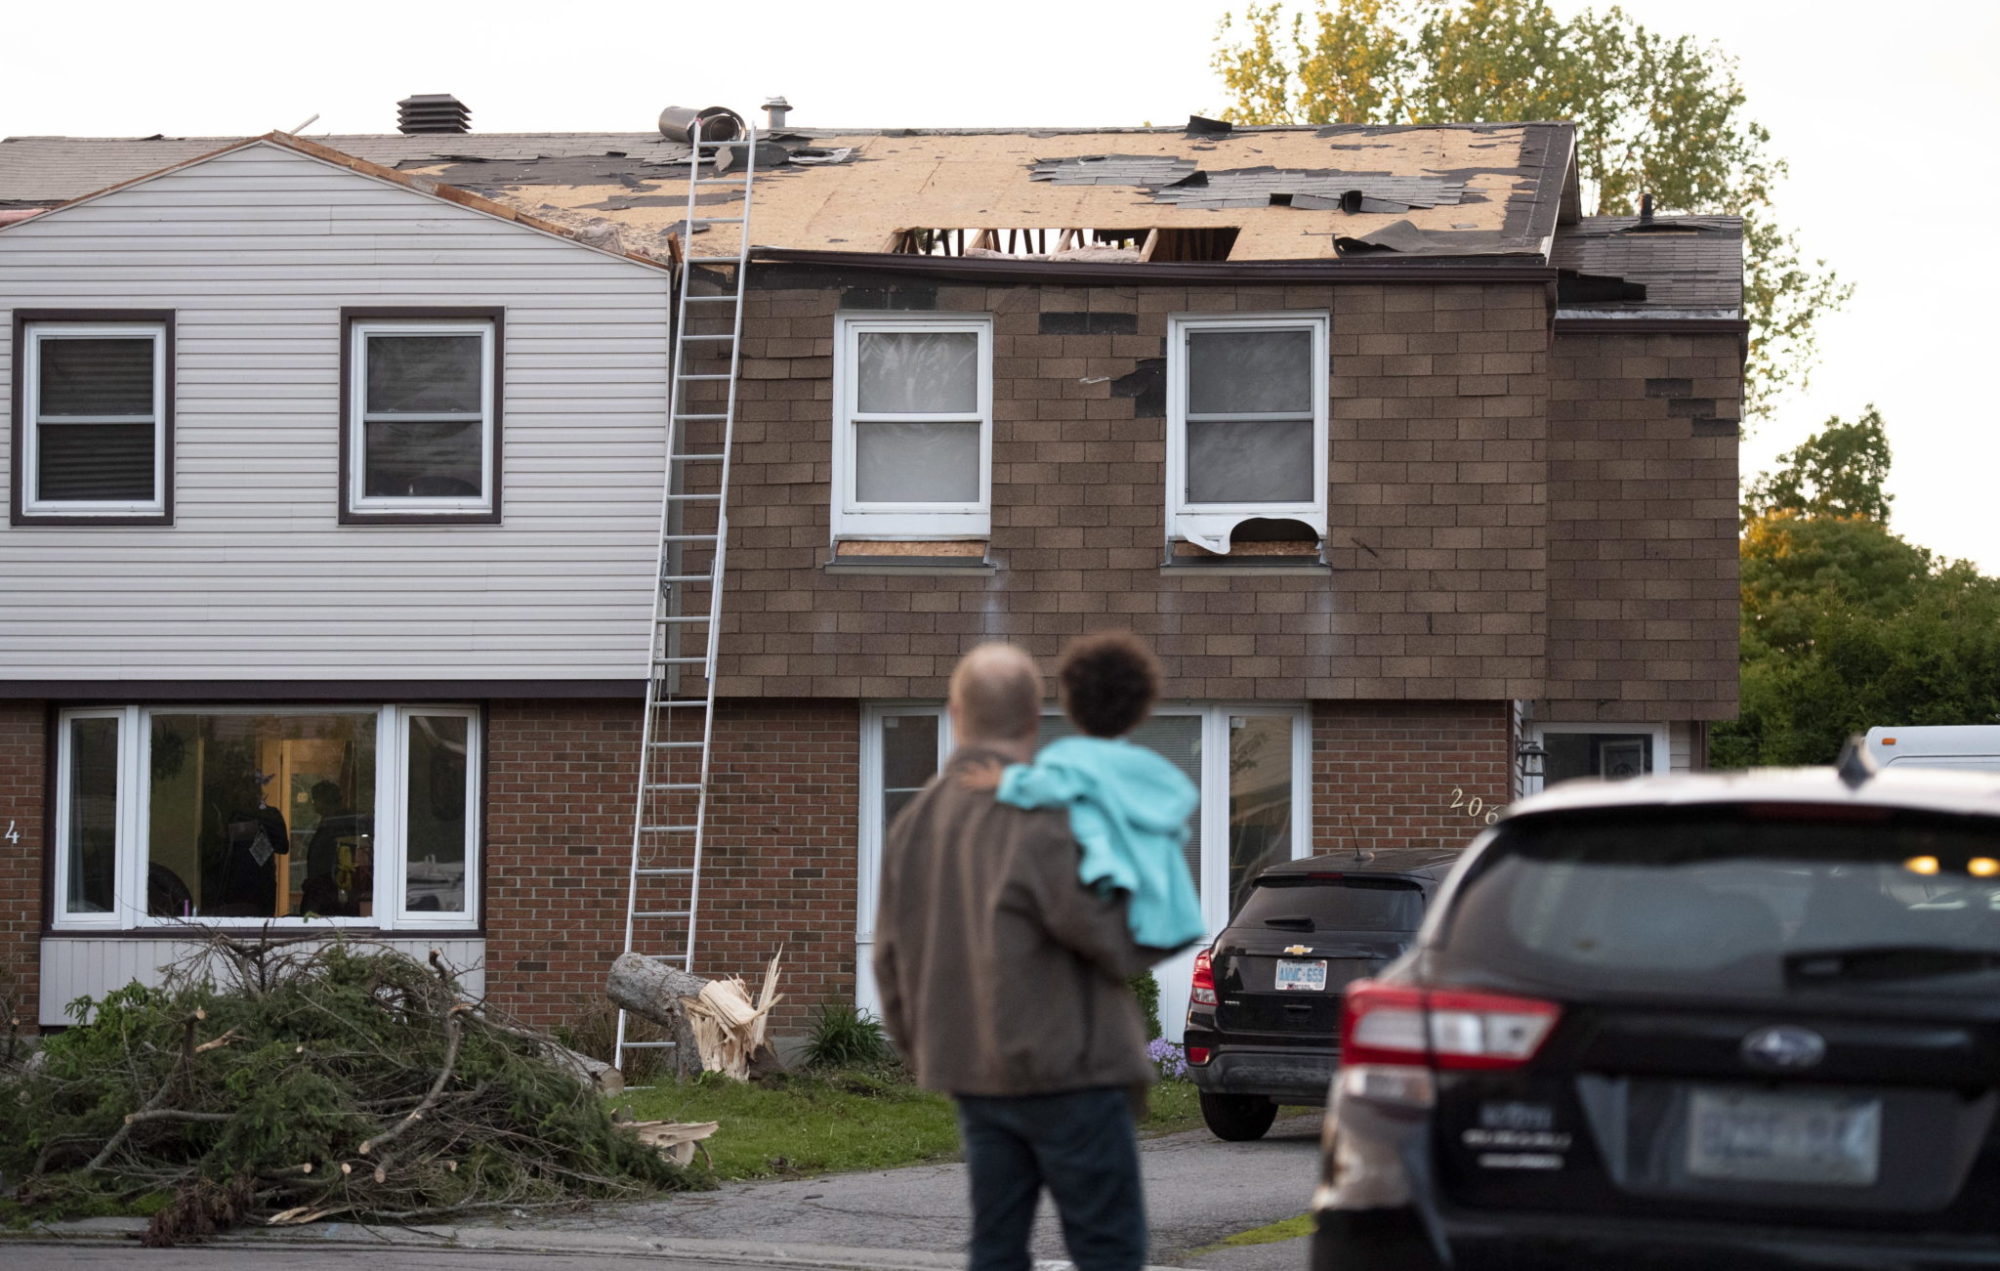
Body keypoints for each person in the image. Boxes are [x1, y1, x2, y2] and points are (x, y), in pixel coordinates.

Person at [873, 643, 1171, 1271]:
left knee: (997, 1248)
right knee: (1108, 1250)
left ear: (957, 712)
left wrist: (929, 1051)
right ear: (1037, 716)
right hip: (1072, 1072)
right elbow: (1112, 938)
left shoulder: (914, 822)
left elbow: (889, 960)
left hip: (977, 1076)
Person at [990, 631, 1203, 952]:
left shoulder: (1070, 759)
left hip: (1090, 896)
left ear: (1073, 706)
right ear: (1139, 712)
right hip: (1145, 914)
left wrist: (1002, 779)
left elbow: (1039, 788)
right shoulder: (1155, 772)